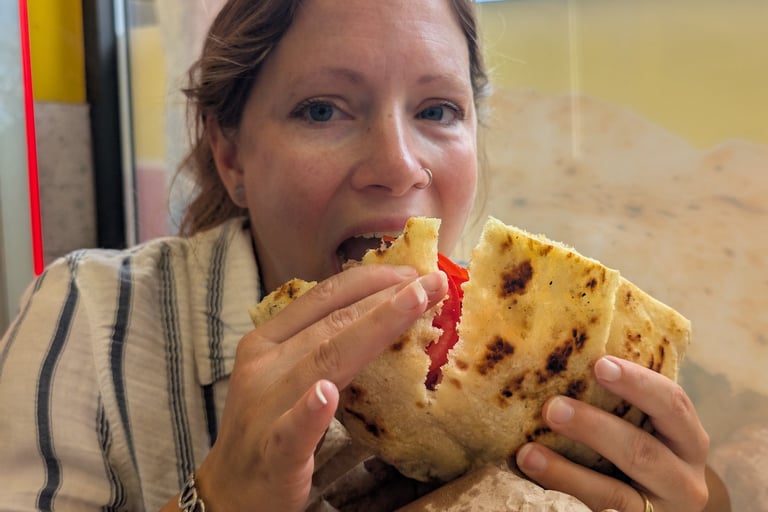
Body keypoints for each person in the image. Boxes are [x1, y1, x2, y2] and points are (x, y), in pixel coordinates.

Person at [0, 0, 728, 510]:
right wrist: (219, 501)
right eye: (323, 109)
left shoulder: (551, 355)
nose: (397, 165)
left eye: (437, 110)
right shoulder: (89, 320)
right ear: (230, 155)